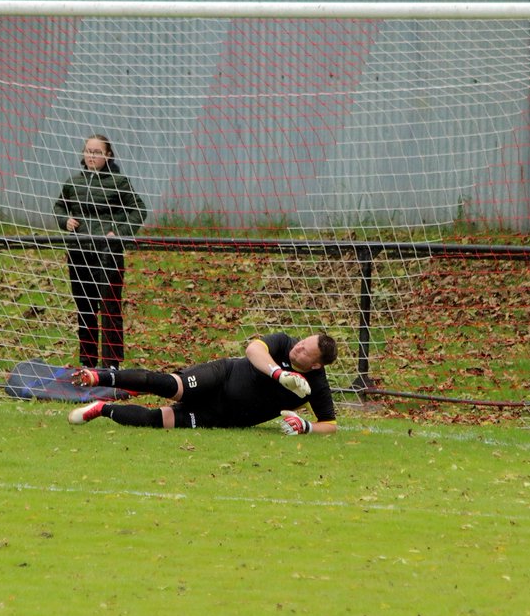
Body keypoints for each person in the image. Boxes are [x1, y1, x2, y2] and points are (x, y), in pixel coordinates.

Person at [66, 332, 339, 435]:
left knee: (155, 420)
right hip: (222, 377)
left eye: (305, 351)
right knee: (167, 385)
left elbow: (331, 424)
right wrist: (279, 374)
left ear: (316, 365)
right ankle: (99, 376)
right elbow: (253, 350)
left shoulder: (317, 384)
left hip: (223, 416)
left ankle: (101, 409)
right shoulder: (283, 342)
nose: (298, 348)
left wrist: (306, 427)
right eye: (302, 342)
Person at [53, 134, 147, 369]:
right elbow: (59, 206)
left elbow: (138, 209)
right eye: (88, 151)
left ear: (108, 155)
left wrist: (119, 232)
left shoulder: (119, 182)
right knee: (85, 309)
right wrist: (65, 220)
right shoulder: (73, 182)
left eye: (97, 152)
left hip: (108, 255)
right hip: (79, 253)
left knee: (110, 308)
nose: (92, 156)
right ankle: (87, 363)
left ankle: (112, 365)